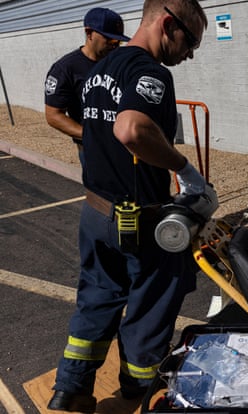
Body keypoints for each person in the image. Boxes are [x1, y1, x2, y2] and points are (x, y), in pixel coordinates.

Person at [47, 0, 210, 412]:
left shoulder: (99, 69)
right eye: (190, 41)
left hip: (95, 211)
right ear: (168, 24)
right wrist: (185, 169)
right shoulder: (149, 73)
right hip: (138, 219)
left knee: (98, 297)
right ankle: (138, 385)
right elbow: (131, 129)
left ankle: (71, 387)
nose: (189, 53)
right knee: (153, 299)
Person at [44, 7, 130, 166]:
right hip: (95, 152)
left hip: (127, 147)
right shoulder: (66, 69)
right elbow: (53, 115)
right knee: (102, 191)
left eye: (119, 41)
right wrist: (92, 136)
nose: (115, 45)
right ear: (89, 33)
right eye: (110, 40)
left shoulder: (119, 63)